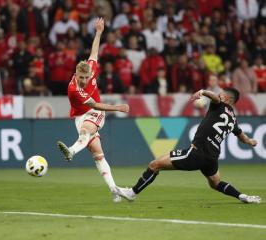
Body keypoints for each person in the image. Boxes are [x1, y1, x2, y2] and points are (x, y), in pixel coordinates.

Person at [116, 88, 261, 204]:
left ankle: (132, 193)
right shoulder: (233, 119)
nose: (219, 94)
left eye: (221, 93)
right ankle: (242, 196)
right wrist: (250, 142)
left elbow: (215, 98)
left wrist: (203, 92)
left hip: (197, 153)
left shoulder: (219, 105)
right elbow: (241, 136)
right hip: (212, 157)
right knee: (216, 183)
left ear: (227, 99)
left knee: (154, 165)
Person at [56, 18, 130, 203]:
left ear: (90, 73)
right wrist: (118, 108)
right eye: (80, 77)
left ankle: (72, 151)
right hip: (83, 114)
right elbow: (94, 105)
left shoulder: (91, 69)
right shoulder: (74, 89)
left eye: (86, 77)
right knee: (98, 155)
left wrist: (98, 32)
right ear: (75, 74)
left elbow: (94, 52)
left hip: (95, 116)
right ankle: (115, 189)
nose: (83, 80)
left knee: (86, 131)